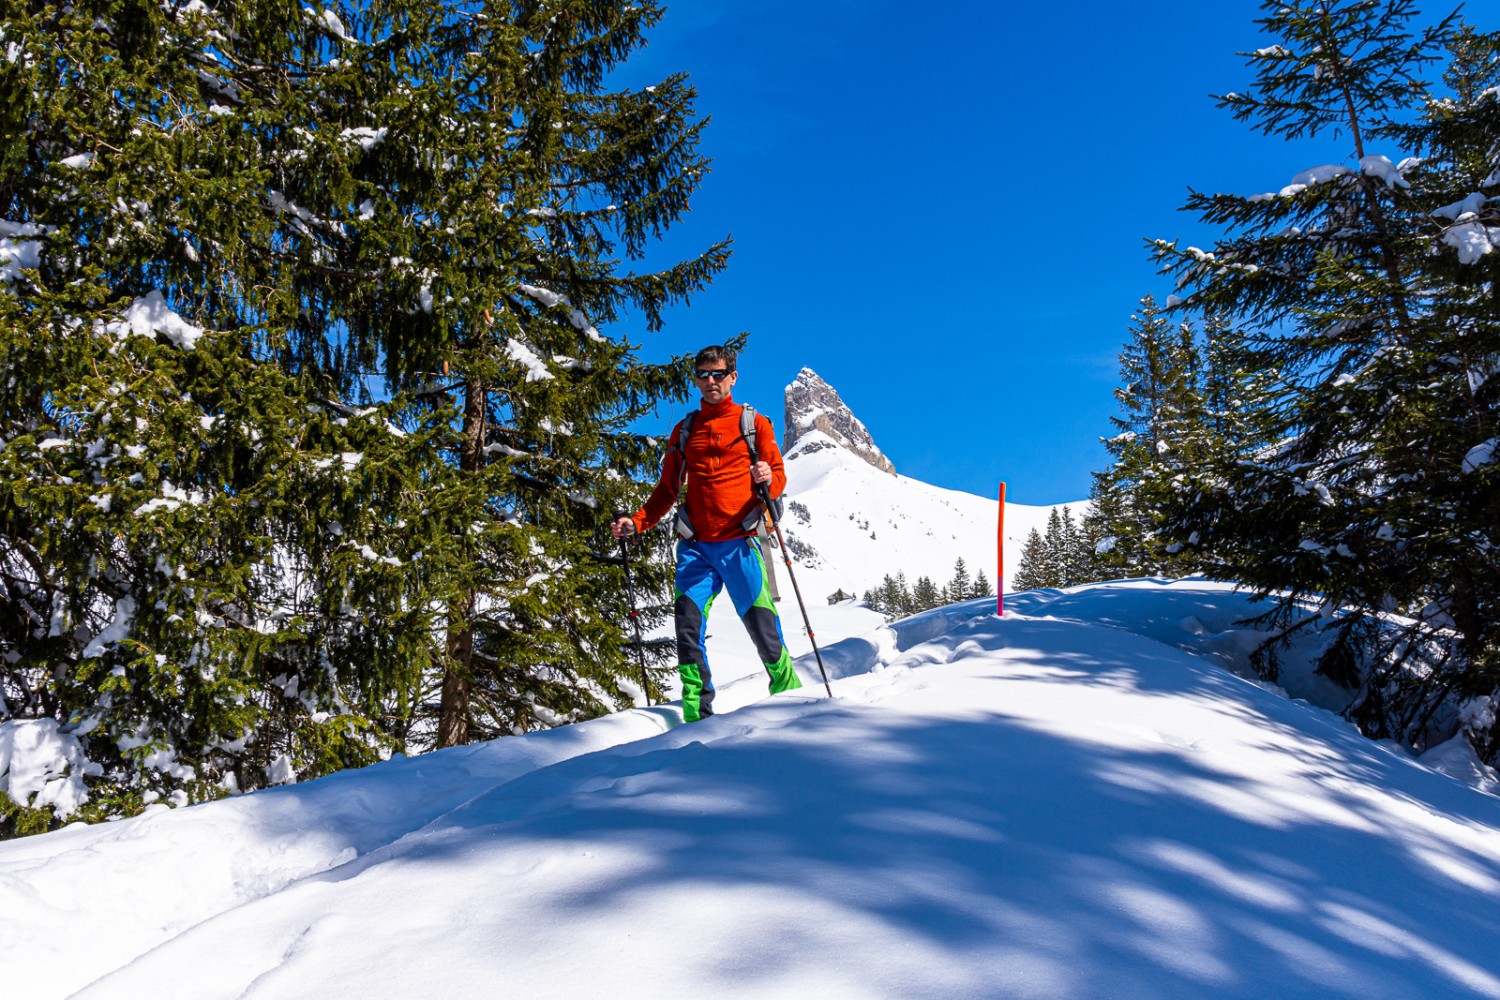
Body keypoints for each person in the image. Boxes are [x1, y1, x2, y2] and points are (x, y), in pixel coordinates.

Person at [611, 345, 802, 721]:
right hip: (696, 548)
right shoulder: (685, 431)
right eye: (703, 374)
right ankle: (697, 717)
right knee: (687, 630)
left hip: (740, 543)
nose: (710, 381)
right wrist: (637, 521)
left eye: (718, 374)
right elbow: (667, 490)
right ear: (696, 379)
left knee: (763, 629)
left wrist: (768, 477)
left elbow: (777, 476)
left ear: (733, 377)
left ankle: (792, 703)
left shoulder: (754, 424)